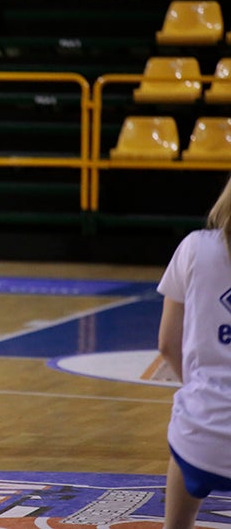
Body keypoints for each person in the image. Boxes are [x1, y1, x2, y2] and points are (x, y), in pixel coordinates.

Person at [157, 173, 231, 529]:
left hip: (200, 438)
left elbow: (167, 344)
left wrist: (203, 387)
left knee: (189, 421)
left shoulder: (194, 246)